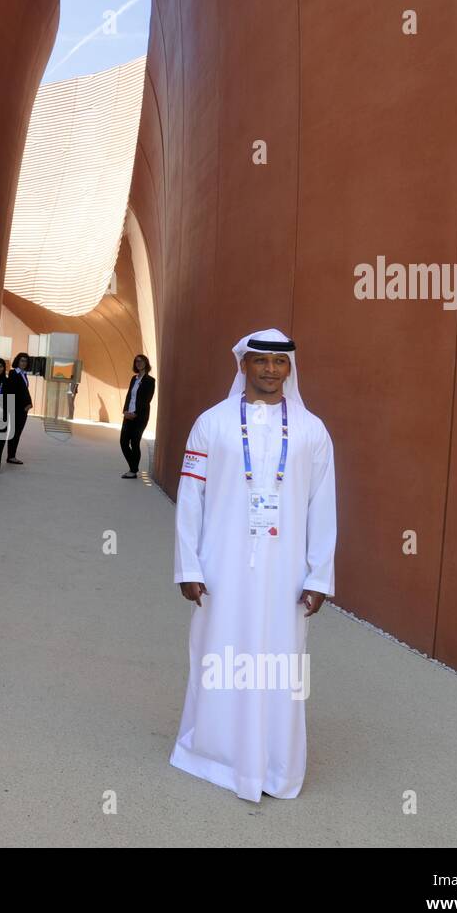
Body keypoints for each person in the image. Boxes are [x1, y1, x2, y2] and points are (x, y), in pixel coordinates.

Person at [169, 328, 336, 802]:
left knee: (281, 663)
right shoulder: (211, 423)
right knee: (216, 654)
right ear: (243, 365)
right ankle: (212, 755)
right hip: (221, 568)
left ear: (290, 369)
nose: (269, 369)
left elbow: (324, 507)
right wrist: (190, 566)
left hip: (286, 574)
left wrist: (320, 574)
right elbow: (190, 500)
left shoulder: (312, 431)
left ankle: (276, 766)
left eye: (278, 363)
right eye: (260, 360)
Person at [119, 354, 155, 478]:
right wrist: (125, 411)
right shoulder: (133, 379)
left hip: (140, 417)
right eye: (136, 361)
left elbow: (147, 400)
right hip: (128, 415)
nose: (138, 363)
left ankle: (133, 471)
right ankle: (133, 467)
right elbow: (129, 396)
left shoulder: (150, 381)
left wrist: (136, 414)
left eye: (141, 361)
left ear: (146, 363)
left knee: (135, 442)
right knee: (123, 442)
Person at [5, 352, 34, 465]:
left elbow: (24, 391)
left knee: (17, 432)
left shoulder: (23, 374)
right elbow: (14, 392)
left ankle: (12, 455)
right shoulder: (14, 374)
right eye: (22, 360)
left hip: (23, 409)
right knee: (14, 432)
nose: (24, 363)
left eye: (25, 361)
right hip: (17, 409)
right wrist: (25, 405)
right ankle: (11, 456)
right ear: (17, 361)